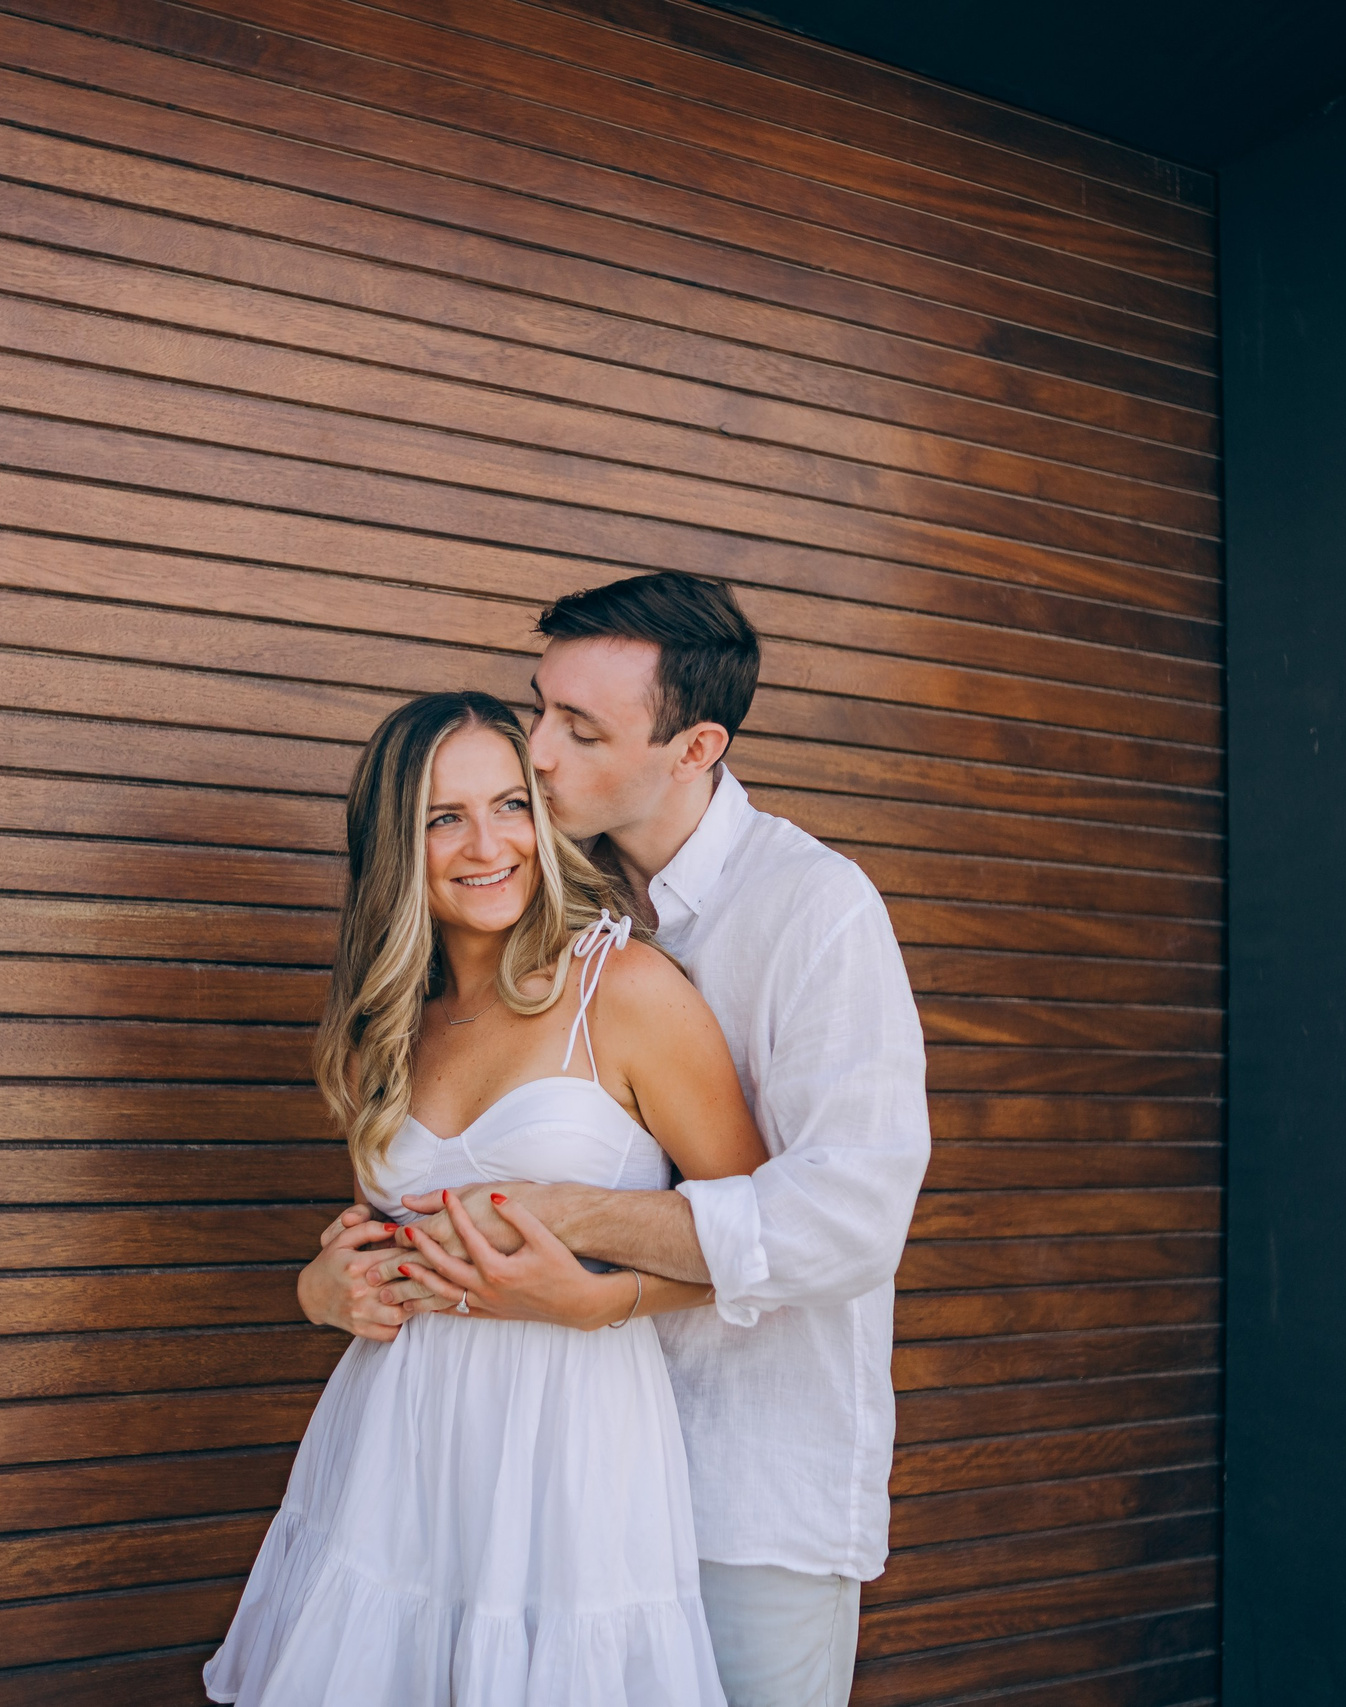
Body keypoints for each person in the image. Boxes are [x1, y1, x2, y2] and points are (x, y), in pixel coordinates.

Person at [303, 573, 930, 1707]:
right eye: (538, 707)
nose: (536, 753)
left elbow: (849, 1219)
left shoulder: (812, 909)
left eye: (579, 730)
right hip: (510, 1487)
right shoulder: (536, 897)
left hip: (741, 1482)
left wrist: (579, 1243)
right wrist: (331, 1281)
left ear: (694, 749)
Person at [207, 690, 773, 1706]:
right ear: (397, 844)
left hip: (572, 1434)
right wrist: (320, 1290)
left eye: (511, 804)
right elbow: (383, 1244)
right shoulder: (386, 1026)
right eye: (444, 817)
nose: (487, 844)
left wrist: (607, 1299)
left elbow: (761, 1241)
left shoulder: (624, 990)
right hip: (397, 1442)